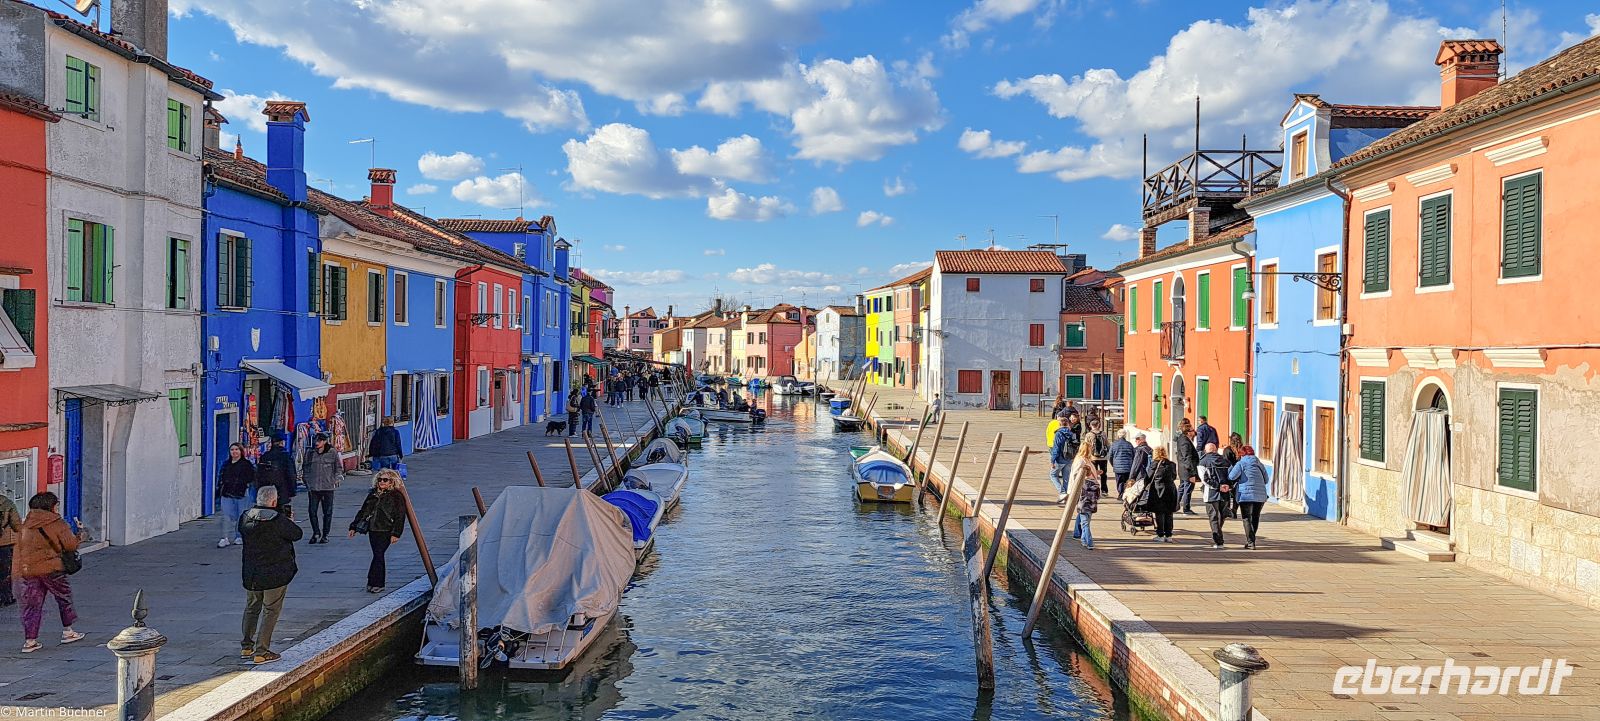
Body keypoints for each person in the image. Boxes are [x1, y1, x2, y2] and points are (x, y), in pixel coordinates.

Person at [15, 492, 84, 652]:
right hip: (53, 569)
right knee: (63, 598)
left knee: (32, 604)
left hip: (30, 570)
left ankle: (30, 641)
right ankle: (68, 631)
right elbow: (70, 545)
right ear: (50, 506)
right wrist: (80, 534)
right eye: (56, 505)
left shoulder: (26, 524)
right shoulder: (57, 523)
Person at [239, 485, 300, 664]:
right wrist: (290, 520)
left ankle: (246, 646)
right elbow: (297, 534)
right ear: (273, 501)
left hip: (251, 573)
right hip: (275, 573)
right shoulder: (278, 520)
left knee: (252, 608)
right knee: (271, 610)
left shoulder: (245, 517)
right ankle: (262, 651)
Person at [349, 469, 407, 593]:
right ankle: (373, 582)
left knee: (379, 555)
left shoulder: (396, 496)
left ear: (392, 482)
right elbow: (363, 510)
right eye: (380, 480)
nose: (382, 482)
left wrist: (396, 533)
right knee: (377, 555)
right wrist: (353, 526)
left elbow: (400, 516)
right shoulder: (373, 494)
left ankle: (377, 583)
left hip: (386, 529)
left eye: (385, 480)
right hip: (373, 529)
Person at [303, 432, 343, 544]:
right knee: (312, 511)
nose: (317, 443)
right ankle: (316, 532)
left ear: (325, 441)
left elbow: (338, 468)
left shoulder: (332, 452)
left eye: (319, 441)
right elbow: (305, 467)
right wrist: (307, 481)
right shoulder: (310, 453)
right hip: (313, 487)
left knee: (328, 512)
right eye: (316, 440)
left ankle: (325, 534)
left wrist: (336, 479)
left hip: (327, 487)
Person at [1227, 446, 1270, 549]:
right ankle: (1251, 540)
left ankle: (1251, 542)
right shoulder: (1259, 464)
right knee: (1255, 517)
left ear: (1241, 454)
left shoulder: (1241, 463)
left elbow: (1231, 477)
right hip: (1260, 495)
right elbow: (1266, 480)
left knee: (1246, 518)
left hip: (1245, 495)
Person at [215, 443, 256, 548]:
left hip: (241, 493)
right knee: (226, 516)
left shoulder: (247, 464)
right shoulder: (226, 464)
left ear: (241, 451)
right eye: (232, 449)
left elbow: (252, 477)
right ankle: (224, 538)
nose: (234, 452)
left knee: (241, 516)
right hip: (227, 493)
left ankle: (239, 536)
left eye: (237, 449)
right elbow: (220, 478)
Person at [1198, 442, 1232, 548]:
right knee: (1222, 515)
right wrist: (1228, 485)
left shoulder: (1203, 462)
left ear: (1206, 450)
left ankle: (1218, 540)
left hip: (1211, 493)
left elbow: (1204, 479)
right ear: (1216, 449)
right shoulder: (1226, 461)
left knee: (1213, 517)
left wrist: (1218, 487)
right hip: (1225, 492)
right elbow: (1232, 475)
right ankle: (1218, 533)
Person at [1066, 437, 1100, 542]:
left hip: (1086, 489)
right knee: (1084, 511)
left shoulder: (1086, 460)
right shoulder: (1080, 460)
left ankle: (1077, 533)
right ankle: (1085, 538)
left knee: (1083, 511)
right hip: (1082, 490)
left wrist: (1096, 473)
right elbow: (1076, 475)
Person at [255, 434, 296, 520]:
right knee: (283, 514)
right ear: (282, 443)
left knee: (267, 512)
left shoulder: (265, 456)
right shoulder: (285, 456)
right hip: (283, 490)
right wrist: (292, 491)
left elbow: (259, 475)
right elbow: (291, 474)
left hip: (266, 490)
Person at [1147, 447, 1178, 542]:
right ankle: (1169, 535)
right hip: (1171, 490)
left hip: (1158, 490)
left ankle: (1160, 535)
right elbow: (1174, 476)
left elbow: (1148, 478)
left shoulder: (1155, 464)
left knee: (1159, 513)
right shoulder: (1172, 464)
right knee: (1169, 513)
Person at [1048, 416, 1080, 503]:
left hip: (1060, 458)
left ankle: (1062, 492)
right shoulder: (1071, 433)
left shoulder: (1058, 433)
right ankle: (1065, 496)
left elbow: (1056, 448)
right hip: (1069, 458)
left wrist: (1052, 460)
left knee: (1053, 475)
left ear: (1059, 424)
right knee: (1066, 478)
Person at [1174, 419, 1201, 516]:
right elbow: (1187, 457)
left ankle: (1175, 505)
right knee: (1188, 489)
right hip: (1187, 470)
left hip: (1183, 469)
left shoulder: (1182, 439)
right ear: (1189, 432)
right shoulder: (1185, 442)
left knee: (1182, 488)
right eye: (1193, 430)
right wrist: (1192, 473)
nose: (1194, 432)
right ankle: (1186, 508)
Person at [1076, 456, 1102, 550]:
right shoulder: (1095, 484)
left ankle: (1090, 543)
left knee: (1085, 524)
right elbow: (1098, 496)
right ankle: (1083, 540)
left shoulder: (1081, 484)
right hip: (1092, 506)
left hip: (1083, 506)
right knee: (1086, 523)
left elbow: (1077, 495)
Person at [0, 490, 20, 607]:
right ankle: (6, 597)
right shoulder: (7, 503)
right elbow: (16, 525)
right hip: (5, 543)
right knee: (5, 571)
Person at [1107, 430, 1136, 498]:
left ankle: (1120, 494)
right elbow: (1133, 455)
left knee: (1119, 481)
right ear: (1125, 435)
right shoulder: (1129, 444)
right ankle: (1125, 494)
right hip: (1128, 467)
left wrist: (1113, 465)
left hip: (1118, 467)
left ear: (1118, 435)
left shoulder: (1114, 444)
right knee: (1126, 481)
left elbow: (1110, 456)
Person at [1223, 432, 1245, 519]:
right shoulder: (1242, 450)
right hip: (1240, 475)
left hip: (1229, 475)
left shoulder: (1227, 450)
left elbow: (1225, 463)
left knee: (1227, 493)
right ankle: (1234, 510)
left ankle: (1228, 510)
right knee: (1237, 494)